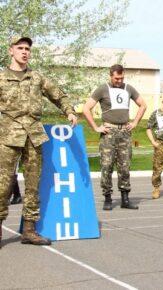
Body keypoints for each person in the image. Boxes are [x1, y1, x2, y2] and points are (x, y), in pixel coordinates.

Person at [0, 36, 77, 247]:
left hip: (34, 135)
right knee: (3, 185)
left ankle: (29, 230)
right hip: (8, 136)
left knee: (33, 184)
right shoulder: (1, 78)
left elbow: (58, 95)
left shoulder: (37, 78)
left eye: (27, 49)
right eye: (20, 48)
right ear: (11, 51)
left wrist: (69, 111)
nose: (24, 52)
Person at [83, 64, 147, 211]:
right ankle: (107, 197)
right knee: (107, 166)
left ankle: (125, 198)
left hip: (124, 132)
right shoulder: (102, 89)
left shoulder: (128, 88)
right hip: (108, 132)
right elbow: (86, 108)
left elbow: (143, 105)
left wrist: (135, 122)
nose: (119, 81)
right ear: (110, 76)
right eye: (116, 78)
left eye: (122, 78)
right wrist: (95, 127)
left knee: (124, 166)